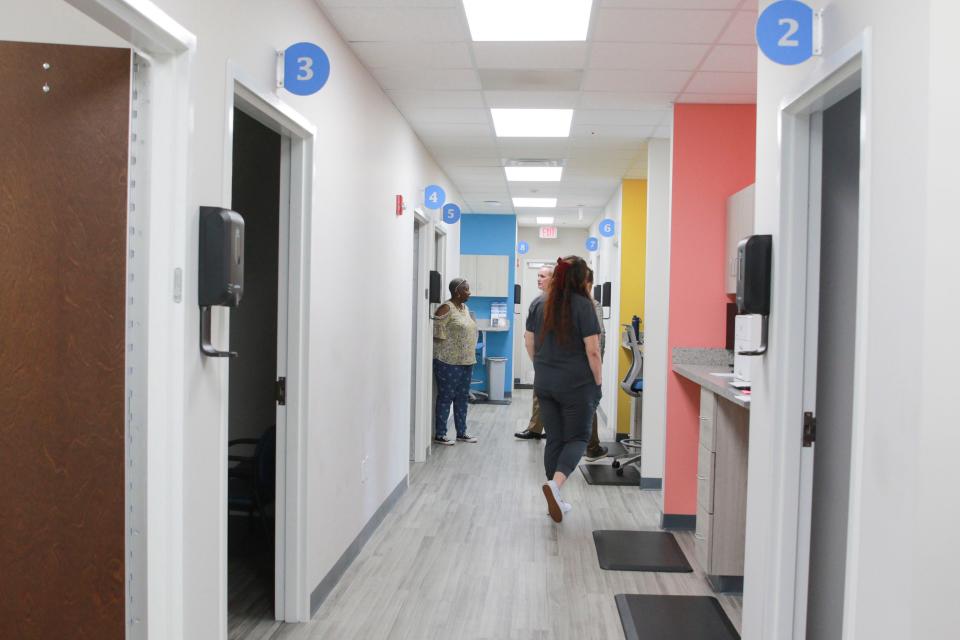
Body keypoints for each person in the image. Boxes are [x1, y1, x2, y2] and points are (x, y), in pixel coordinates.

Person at [525, 256, 602, 523]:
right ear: (581, 279)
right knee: (579, 438)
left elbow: (529, 341)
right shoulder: (584, 305)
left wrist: (543, 368)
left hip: (545, 383)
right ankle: (555, 487)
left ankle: (554, 500)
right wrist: (598, 383)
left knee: (555, 439)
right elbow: (592, 350)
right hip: (577, 385)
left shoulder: (539, 302)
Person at [432, 278, 479, 445]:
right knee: (446, 397)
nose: (469, 292)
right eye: (466, 289)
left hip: (466, 361)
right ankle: (440, 434)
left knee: (461, 398)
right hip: (448, 361)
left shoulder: (464, 308)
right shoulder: (446, 307)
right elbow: (437, 333)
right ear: (457, 292)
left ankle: (462, 432)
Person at [514, 264, 554, 440]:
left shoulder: (555, 302)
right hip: (544, 358)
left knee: (546, 395)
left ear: (553, 279)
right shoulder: (540, 301)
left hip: (552, 358)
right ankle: (536, 429)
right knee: (540, 394)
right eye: (538, 275)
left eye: (543, 276)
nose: (539, 279)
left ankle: (544, 430)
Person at [583, 268, 608, 461]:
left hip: (572, 367)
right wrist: (597, 372)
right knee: (589, 404)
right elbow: (597, 343)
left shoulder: (563, 304)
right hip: (586, 366)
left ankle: (590, 446)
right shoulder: (592, 305)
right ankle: (592, 447)